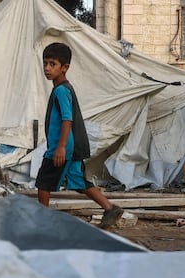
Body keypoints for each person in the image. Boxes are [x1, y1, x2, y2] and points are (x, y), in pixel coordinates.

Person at [35, 42, 123, 229]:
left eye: (52, 64)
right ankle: (109, 208)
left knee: (43, 183)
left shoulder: (60, 90)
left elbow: (68, 119)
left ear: (65, 67)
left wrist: (60, 147)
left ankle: (41, 221)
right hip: (70, 148)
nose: (47, 68)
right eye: (45, 63)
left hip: (62, 148)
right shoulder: (64, 88)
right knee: (79, 181)